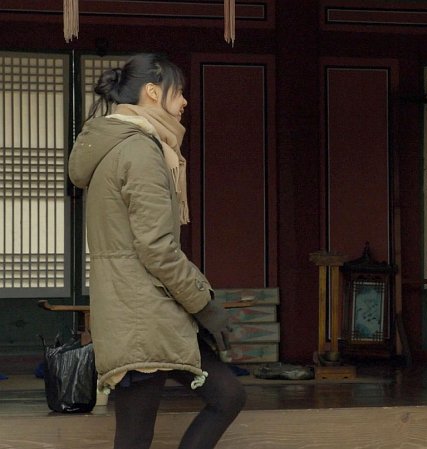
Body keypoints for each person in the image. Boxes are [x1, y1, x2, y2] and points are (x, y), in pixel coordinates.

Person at [69, 53, 246, 449]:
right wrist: (204, 305)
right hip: (141, 315)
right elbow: (157, 248)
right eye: (178, 91)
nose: (184, 101)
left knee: (227, 395)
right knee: (135, 438)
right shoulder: (139, 150)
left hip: (150, 311)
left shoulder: (121, 144)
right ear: (152, 91)